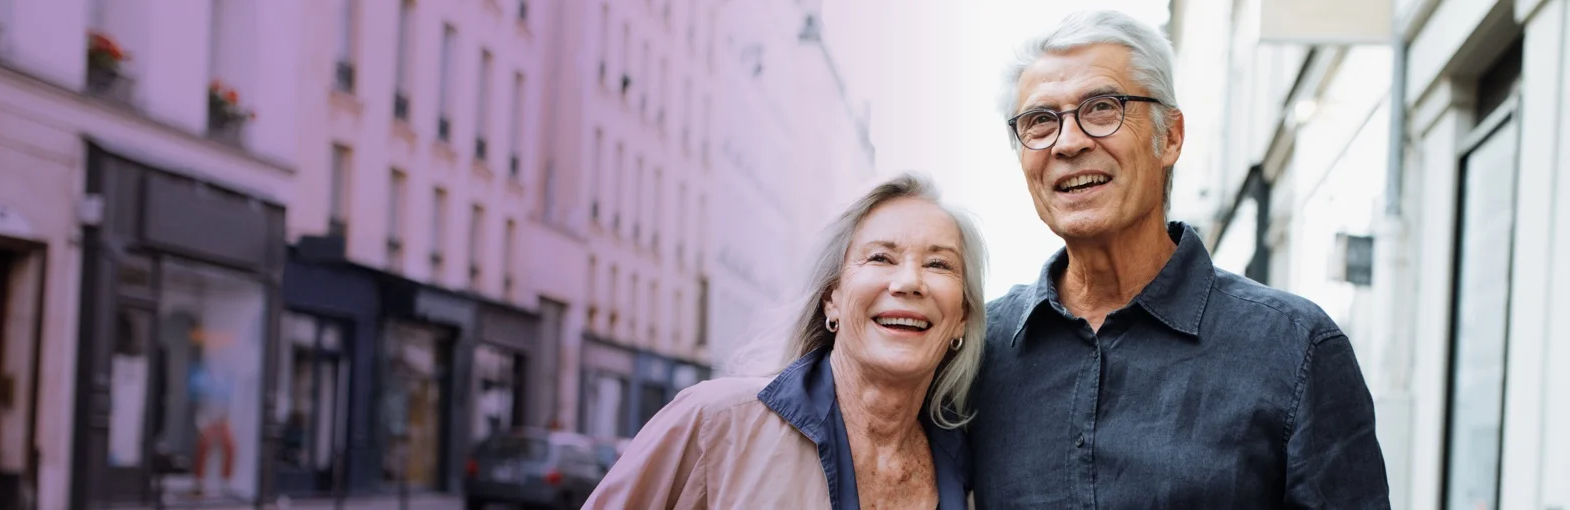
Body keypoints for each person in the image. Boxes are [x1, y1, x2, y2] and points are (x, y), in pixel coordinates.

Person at [968, 9, 1391, 508]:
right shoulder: (979, 350)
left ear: (1169, 136)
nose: (1069, 142)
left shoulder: (1295, 348)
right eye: (1040, 121)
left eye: (1102, 107)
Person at [586, 173, 989, 509]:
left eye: (938, 264)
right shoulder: (714, 423)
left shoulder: (973, 468)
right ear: (832, 298)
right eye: (881, 258)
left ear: (962, 319)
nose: (908, 283)